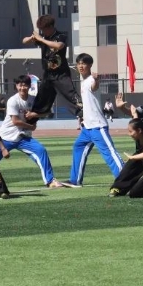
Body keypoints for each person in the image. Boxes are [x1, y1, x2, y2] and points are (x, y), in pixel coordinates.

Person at [0, 75, 64, 189]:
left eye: (25, 85)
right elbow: (15, 121)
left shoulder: (34, 100)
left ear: (29, 86)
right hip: (6, 137)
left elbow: (47, 111)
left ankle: (50, 180)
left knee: (41, 151)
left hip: (24, 137)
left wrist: (34, 114)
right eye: (20, 85)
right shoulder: (13, 101)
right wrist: (30, 126)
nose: (22, 88)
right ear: (16, 86)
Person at [62, 53, 124, 188]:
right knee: (78, 147)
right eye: (79, 63)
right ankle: (75, 180)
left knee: (109, 153)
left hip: (97, 126)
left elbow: (94, 86)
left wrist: (96, 80)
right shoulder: (84, 81)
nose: (81, 66)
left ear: (90, 65)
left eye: (83, 63)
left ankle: (126, 179)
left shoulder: (91, 80)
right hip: (87, 127)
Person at [22, 14, 81, 124]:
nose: (43, 32)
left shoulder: (61, 36)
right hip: (48, 75)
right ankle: (30, 122)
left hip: (61, 74)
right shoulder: (43, 37)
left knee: (71, 95)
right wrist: (32, 38)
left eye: (44, 29)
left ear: (50, 27)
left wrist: (41, 39)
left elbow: (58, 46)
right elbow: (24, 41)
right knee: (41, 99)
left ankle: (82, 115)